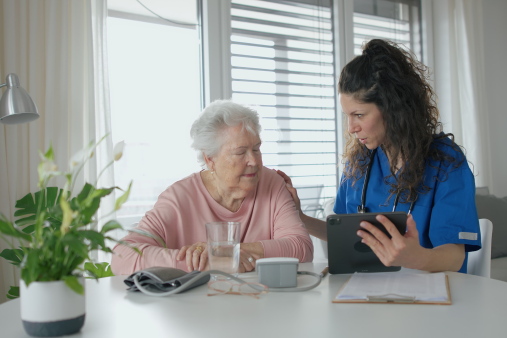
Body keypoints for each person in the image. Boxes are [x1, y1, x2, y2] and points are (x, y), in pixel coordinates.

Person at [277, 39, 480, 273]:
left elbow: (453, 258)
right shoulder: (360, 163)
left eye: (359, 115)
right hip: (372, 293)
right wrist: (299, 218)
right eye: (347, 116)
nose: (351, 127)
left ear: (392, 108)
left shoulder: (445, 162)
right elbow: (346, 236)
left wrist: (414, 257)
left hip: (431, 294)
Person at [111, 100, 314, 275]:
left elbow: (301, 247)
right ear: (210, 159)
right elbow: (123, 256)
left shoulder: (272, 183)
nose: (253, 161)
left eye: (256, 149)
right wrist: (207, 263)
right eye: (240, 152)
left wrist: (230, 252)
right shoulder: (179, 198)